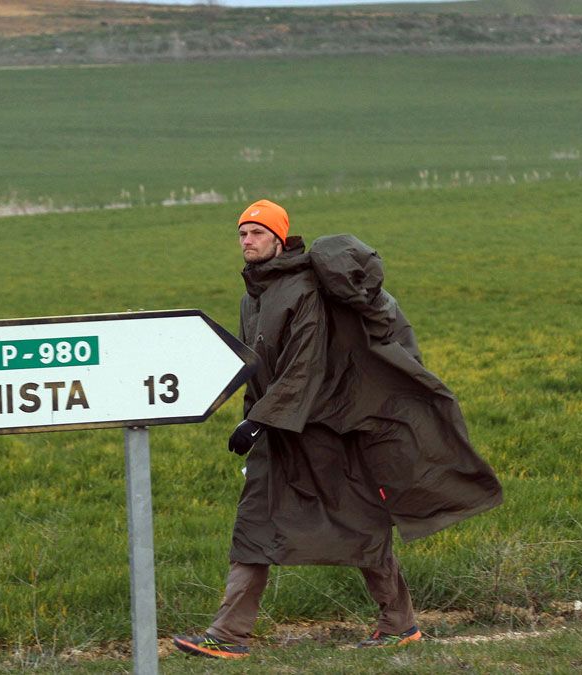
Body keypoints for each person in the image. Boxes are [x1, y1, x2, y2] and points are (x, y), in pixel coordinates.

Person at [172, 199, 503, 660]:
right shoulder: (254, 296)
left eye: (257, 232)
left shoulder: (302, 289)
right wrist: (254, 418)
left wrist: (257, 420)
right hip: (281, 432)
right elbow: (259, 367)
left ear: (280, 238)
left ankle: (399, 622)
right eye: (242, 233)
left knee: (359, 525)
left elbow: (305, 366)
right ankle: (229, 633)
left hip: (324, 432)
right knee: (253, 526)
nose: (247, 240)